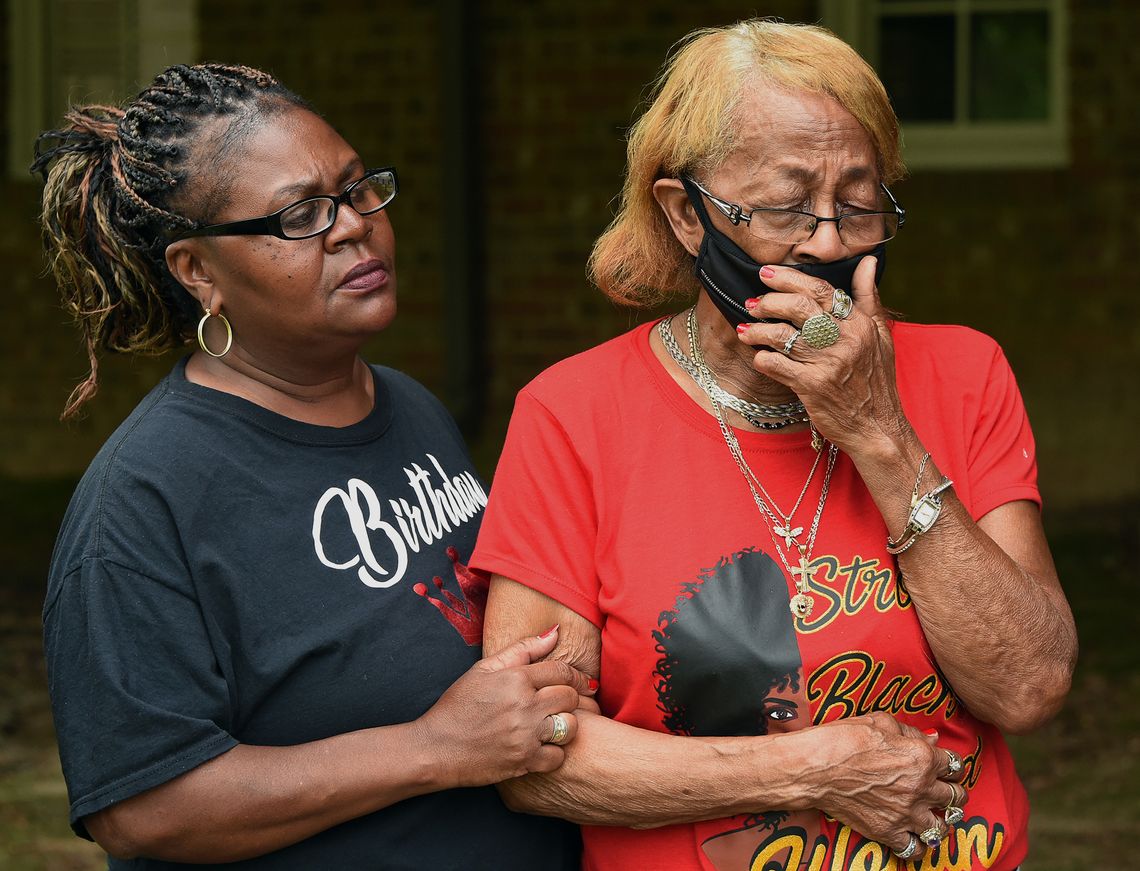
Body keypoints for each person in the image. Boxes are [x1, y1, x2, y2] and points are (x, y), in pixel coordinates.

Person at [470, 19, 1077, 871]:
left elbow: (1029, 684)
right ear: (687, 214)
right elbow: (537, 758)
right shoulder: (575, 415)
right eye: (788, 206)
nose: (828, 240)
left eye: (860, 202)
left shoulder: (963, 373)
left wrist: (880, 432)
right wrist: (814, 769)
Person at [36, 63, 590, 870]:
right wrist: (436, 746)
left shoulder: (408, 407)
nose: (352, 226)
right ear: (198, 271)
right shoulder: (145, 498)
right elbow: (145, 806)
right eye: (301, 214)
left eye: (359, 189)